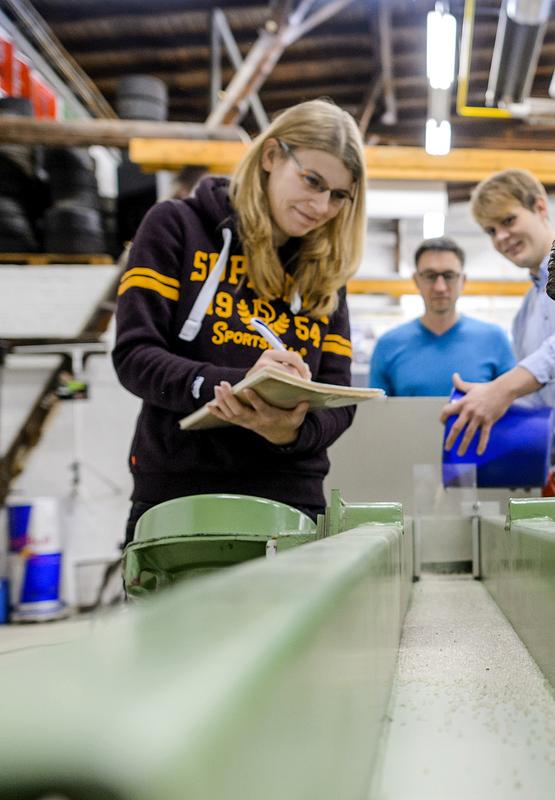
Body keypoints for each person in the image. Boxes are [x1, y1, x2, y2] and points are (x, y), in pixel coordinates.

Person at [112, 99, 367, 545]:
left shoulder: (326, 271)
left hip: (291, 499)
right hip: (181, 493)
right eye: (312, 181)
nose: (322, 205)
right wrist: (229, 386)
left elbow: (340, 399)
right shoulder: (176, 226)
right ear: (271, 157)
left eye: (339, 195)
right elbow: (135, 356)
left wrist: (291, 430)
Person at [441, 168, 555, 455]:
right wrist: (479, 399)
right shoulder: (524, 316)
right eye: (491, 230)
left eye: (508, 220)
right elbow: (540, 402)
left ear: (540, 206)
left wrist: (503, 389)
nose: (502, 237)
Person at [369, 237, 515, 396]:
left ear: (463, 280)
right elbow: (376, 414)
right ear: (416, 280)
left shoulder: (494, 340)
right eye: (430, 276)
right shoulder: (388, 345)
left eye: (449, 275)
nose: (440, 287)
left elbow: (512, 406)